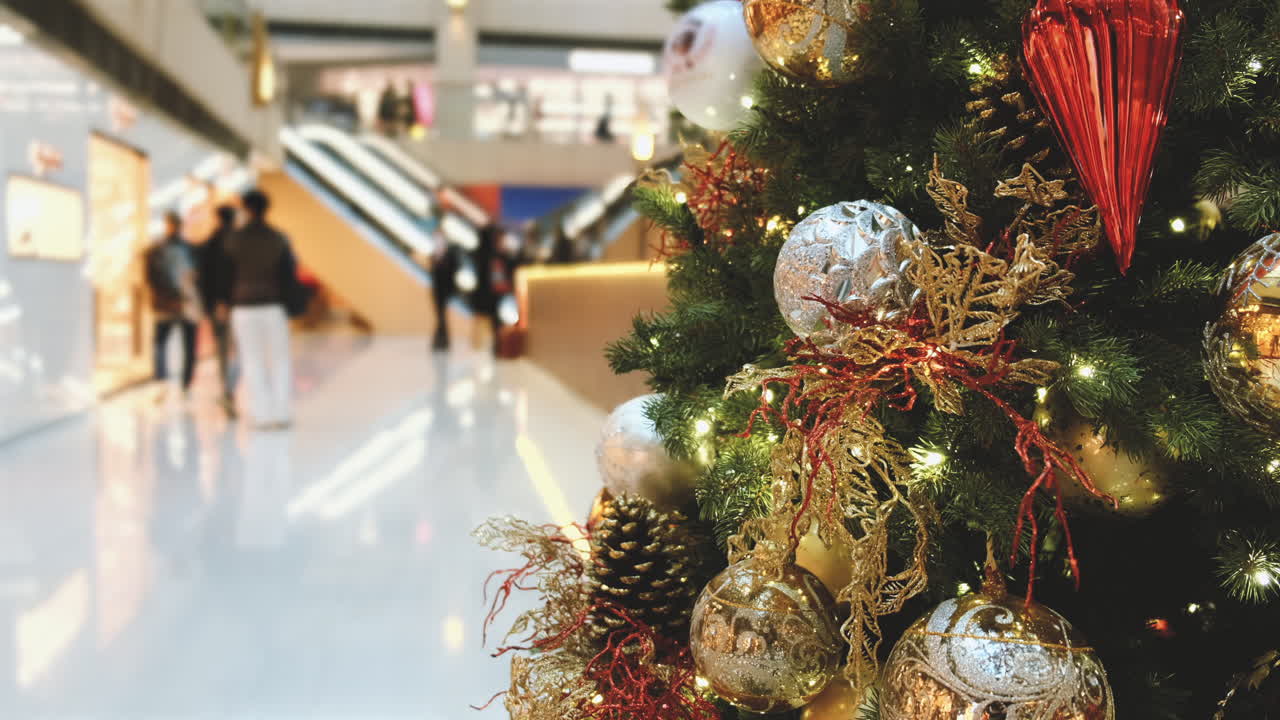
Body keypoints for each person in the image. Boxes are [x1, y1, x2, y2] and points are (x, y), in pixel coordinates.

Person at [224, 190, 297, 430]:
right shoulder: (278, 238)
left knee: (251, 359)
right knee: (280, 359)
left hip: (243, 307)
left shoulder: (234, 240)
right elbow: (289, 274)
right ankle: (281, 413)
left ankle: (262, 415)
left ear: (246, 208)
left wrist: (224, 302)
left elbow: (226, 275)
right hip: (273, 305)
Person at [145, 211, 202, 402]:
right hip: (169, 304)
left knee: (185, 346)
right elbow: (152, 277)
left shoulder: (187, 249)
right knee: (162, 344)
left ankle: (184, 384)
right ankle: (165, 383)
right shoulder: (158, 249)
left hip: (183, 304)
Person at [199, 204, 239, 417]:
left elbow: (204, 278)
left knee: (223, 349)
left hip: (217, 305)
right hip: (235, 304)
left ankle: (227, 388)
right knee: (238, 350)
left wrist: (211, 305)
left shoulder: (210, 242)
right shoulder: (236, 241)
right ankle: (228, 390)